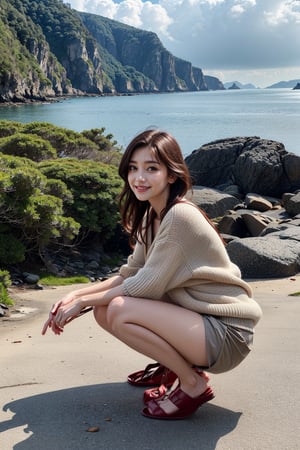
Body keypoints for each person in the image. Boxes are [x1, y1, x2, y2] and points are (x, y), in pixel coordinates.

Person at [42, 129, 262, 420]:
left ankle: (192, 383)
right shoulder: (152, 215)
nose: (139, 178)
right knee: (104, 311)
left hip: (226, 334)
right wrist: (74, 295)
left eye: (151, 169)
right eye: (133, 168)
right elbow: (129, 273)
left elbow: (145, 285)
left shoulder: (180, 216)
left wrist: (83, 303)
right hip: (200, 320)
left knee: (118, 309)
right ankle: (171, 364)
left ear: (172, 175)